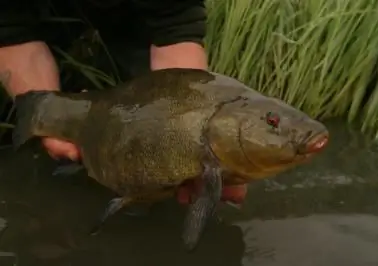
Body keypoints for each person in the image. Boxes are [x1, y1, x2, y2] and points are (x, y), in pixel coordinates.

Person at [0, 0, 246, 205]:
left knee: (153, 168)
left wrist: (188, 133)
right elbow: (11, 32)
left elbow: (175, 30)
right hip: (40, 17)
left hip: (131, 21)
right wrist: (42, 112)